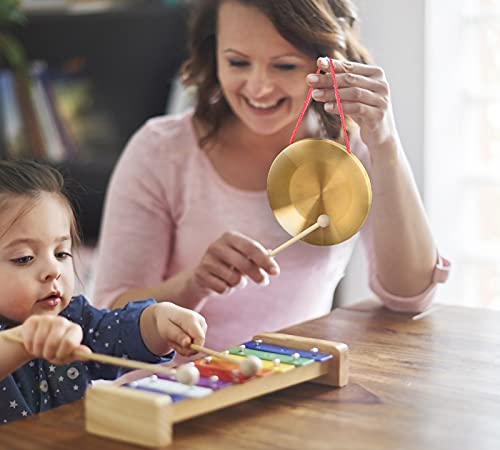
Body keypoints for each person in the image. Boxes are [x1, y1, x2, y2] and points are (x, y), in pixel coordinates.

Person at [93, 0, 450, 353]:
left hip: (289, 388)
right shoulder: (161, 150)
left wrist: (385, 144)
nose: (259, 87)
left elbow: (409, 297)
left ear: (327, 62)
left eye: (284, 66)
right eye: (237, 62)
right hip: (168, 393)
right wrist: (195, 284)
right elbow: (108, 317)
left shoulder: (350, 151)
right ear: (212, 51)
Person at [0, 160, 207, 424]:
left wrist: (158, 321)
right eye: (24, 258)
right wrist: (25, 341)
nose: (54, 270)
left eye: (61, 253)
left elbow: (120, 332)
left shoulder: (74, 319)